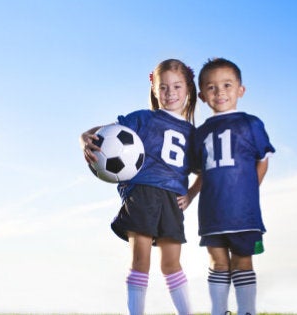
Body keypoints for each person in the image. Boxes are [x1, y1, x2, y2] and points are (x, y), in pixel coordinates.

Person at [80, 59, 199, 315]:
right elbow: (103, 132)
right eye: (164, 87)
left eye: (177, 87)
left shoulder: (192, 134)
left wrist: (190, 194)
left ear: (188, 89)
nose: (170, 93)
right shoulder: (142, 119)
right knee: (140, 260)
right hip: (143, 192)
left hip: (172, 200)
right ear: (154, 89)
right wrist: (84, 137)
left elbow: (205, 172)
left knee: (172, 263)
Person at [193, 58, 275, 315]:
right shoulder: (200, 133)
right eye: (212, 87)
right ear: (202, 95)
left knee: (242, 261)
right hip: (211, 212)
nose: (220, 92)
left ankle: (246, 311)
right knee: (218, 263)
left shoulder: (251, 124)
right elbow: (202, 173)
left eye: (227, 85)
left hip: (244, 212)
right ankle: (218, 311)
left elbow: (262, 161)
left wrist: (250, 191)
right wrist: (189, 195)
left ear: (241, 89)